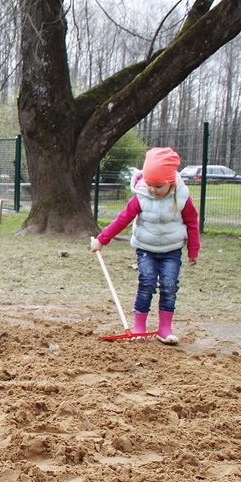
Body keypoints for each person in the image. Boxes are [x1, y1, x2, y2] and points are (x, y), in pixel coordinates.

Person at [91, 147, 200, 344]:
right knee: (147, 283)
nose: (152, 189)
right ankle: (139, 326)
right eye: (150, 184)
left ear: (171, 183)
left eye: (158, 186)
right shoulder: (140, 197)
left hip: (172, 250)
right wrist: (101, 240)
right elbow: (122, 220)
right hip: (146, 250)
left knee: (169, 286)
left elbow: (192, 222)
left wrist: (193, 250)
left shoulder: (182, 198)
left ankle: (164, 328)